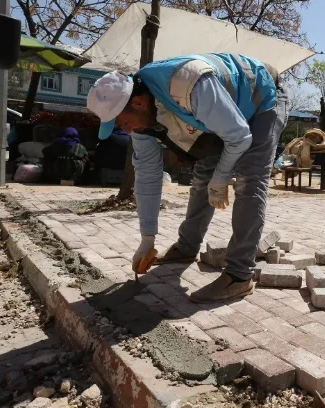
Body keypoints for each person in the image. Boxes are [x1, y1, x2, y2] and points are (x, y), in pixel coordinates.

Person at [86, 53, 287, 302]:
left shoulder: (188, 84)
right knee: (203, 174)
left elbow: (240, 137)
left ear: (138, 104)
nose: (124, 130)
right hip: (225, 113)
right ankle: (187, 247)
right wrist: (147, 237)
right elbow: (148, 175)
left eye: (122, 123)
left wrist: (222, 178)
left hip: (261, 100)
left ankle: (239, 276)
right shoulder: (142, 117)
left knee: (249, 179)